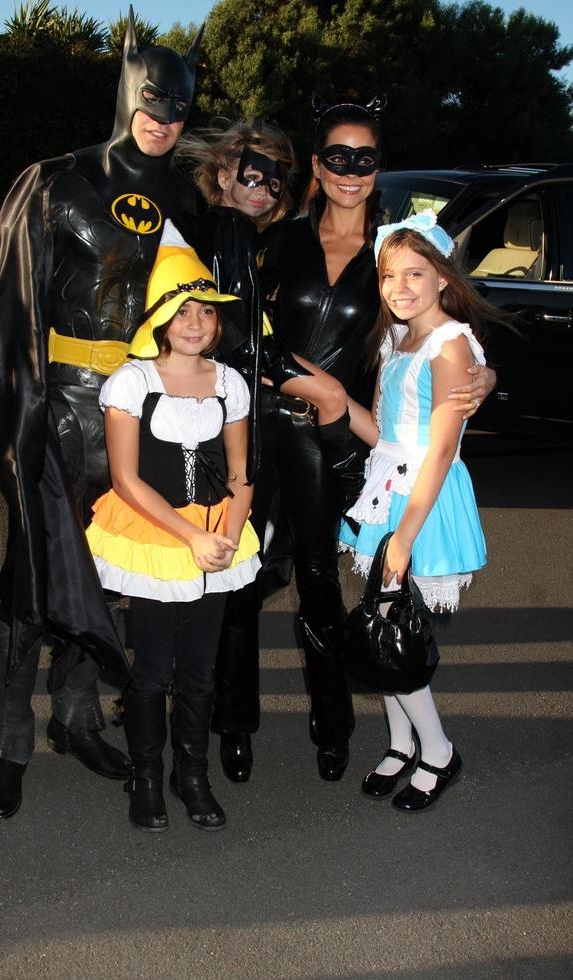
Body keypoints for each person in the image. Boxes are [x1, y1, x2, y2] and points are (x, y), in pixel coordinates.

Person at [0, 9, 204, 819]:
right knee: (32, 574)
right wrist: (19, 416)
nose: (162, 120)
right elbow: (11, 308)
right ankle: (10, 736)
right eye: (151, 103)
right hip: (59, 409)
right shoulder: (59, 179)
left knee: (107, 570)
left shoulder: (188, 192)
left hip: (135, 416)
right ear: (126, 94)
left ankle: (74, 715)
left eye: (177, 110)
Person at [254, 97, 497, 782]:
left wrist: (482, 373)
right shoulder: (292, 247)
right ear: (317, 164)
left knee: (381, 610)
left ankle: (422, 748)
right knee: (350, 602)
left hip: (395, 479)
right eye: (338, 157)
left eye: (364, 159)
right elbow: (375, 407)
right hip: (338, 459)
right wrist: (324, 392)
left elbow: (442, 382)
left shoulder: (401, 265)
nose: (351, 171)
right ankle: (387, 739)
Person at [183, 120, 359, 781]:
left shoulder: (265, 240)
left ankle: (259, 728)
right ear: (223, 174)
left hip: (275, 429)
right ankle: (256, 727)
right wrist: (320, 387)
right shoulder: (216, 232)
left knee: (277, 577)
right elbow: (236, 344)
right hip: (238, 432)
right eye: (249, 175)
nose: (261, 189)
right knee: (251, 579)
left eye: (273, 180)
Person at [86, 225, 261, 832]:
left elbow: (242, 473)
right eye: (180, 310)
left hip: (217, 539)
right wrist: (190, 538)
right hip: (156, 538)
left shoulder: (230, 383)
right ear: (158, 319)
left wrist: (229, 536)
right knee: (151, 667)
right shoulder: (133, 383)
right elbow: (127, 480)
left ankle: (193, 775)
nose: (194, 322)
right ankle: (145, 776)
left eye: (205, 311)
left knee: (200, 669)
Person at [339, 210, 492, 810]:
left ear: (443, 280)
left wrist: (403, 537)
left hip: (421, 503)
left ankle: (438, 749)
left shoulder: (451, 345)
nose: (400, 288)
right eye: (388, 276)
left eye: (415, 274)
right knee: (383, 623)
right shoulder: (395, 338)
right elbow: (381, 432)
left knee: (398, 627)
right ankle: (401, 740)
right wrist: (335, 398)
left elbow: (442, 449)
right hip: (387, 486)